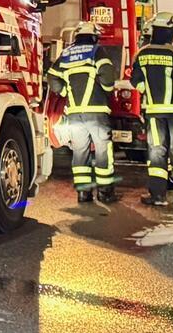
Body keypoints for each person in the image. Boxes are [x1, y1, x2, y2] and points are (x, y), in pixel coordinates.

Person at [129, 12, 173, 206]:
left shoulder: (141, 53)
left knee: (157, 152)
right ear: (170, 32)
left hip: (154, 112)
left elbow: (135, 80)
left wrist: (149, 93)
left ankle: (158, 196)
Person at [46, 21, 119, 204]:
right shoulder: (97, 51)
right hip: (97, 112)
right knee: (103, 151)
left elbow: (52, 75)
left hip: (74, 114)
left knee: (80, 153)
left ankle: (83, 194)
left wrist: (63, 92)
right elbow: (108, 75)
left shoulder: (66, 54)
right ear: (94, 36)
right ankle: (105, 193)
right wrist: (106, 88)